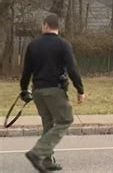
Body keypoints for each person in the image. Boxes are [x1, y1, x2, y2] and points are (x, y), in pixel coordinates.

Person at [20, 14, 85, 172]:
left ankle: (47, 161)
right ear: (57, 27)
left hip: (37, 91)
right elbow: (72, 69)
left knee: (48, 124)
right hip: (54, 90)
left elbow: (26, 70)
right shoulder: (63, 45)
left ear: (46, 25)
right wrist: (80, 89)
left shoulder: (33, 45)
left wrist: (23, 89)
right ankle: (38, 152)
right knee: (66, 119)